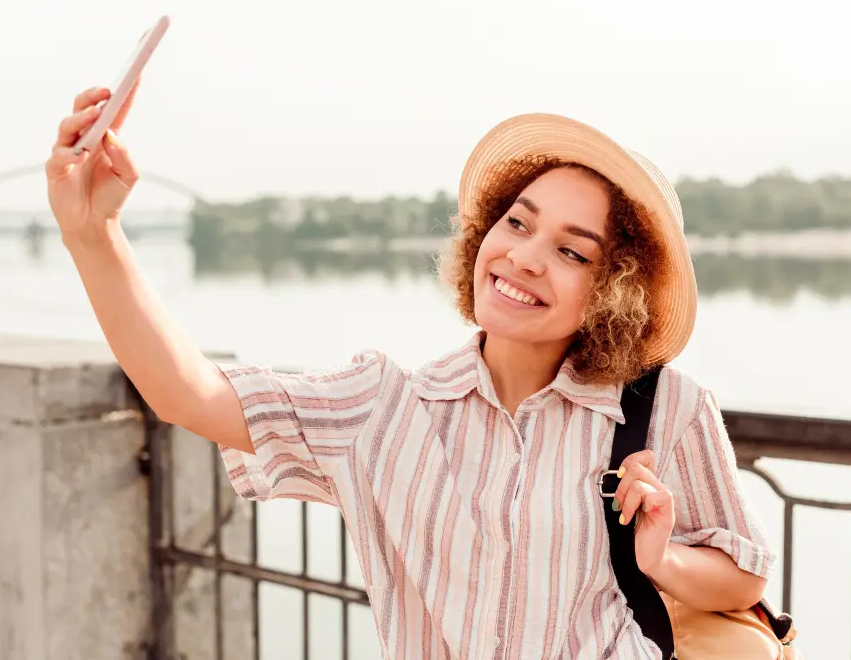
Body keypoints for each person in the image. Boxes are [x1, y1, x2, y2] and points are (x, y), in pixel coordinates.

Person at [46, 82, 774, 660]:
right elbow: (189, 393)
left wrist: (662, 557)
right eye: (517, 223)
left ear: (613, 285)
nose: (523, 256)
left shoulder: (665, 409)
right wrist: (94, 234)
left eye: (572, 251)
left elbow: (744, 572)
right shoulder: (385, 408)